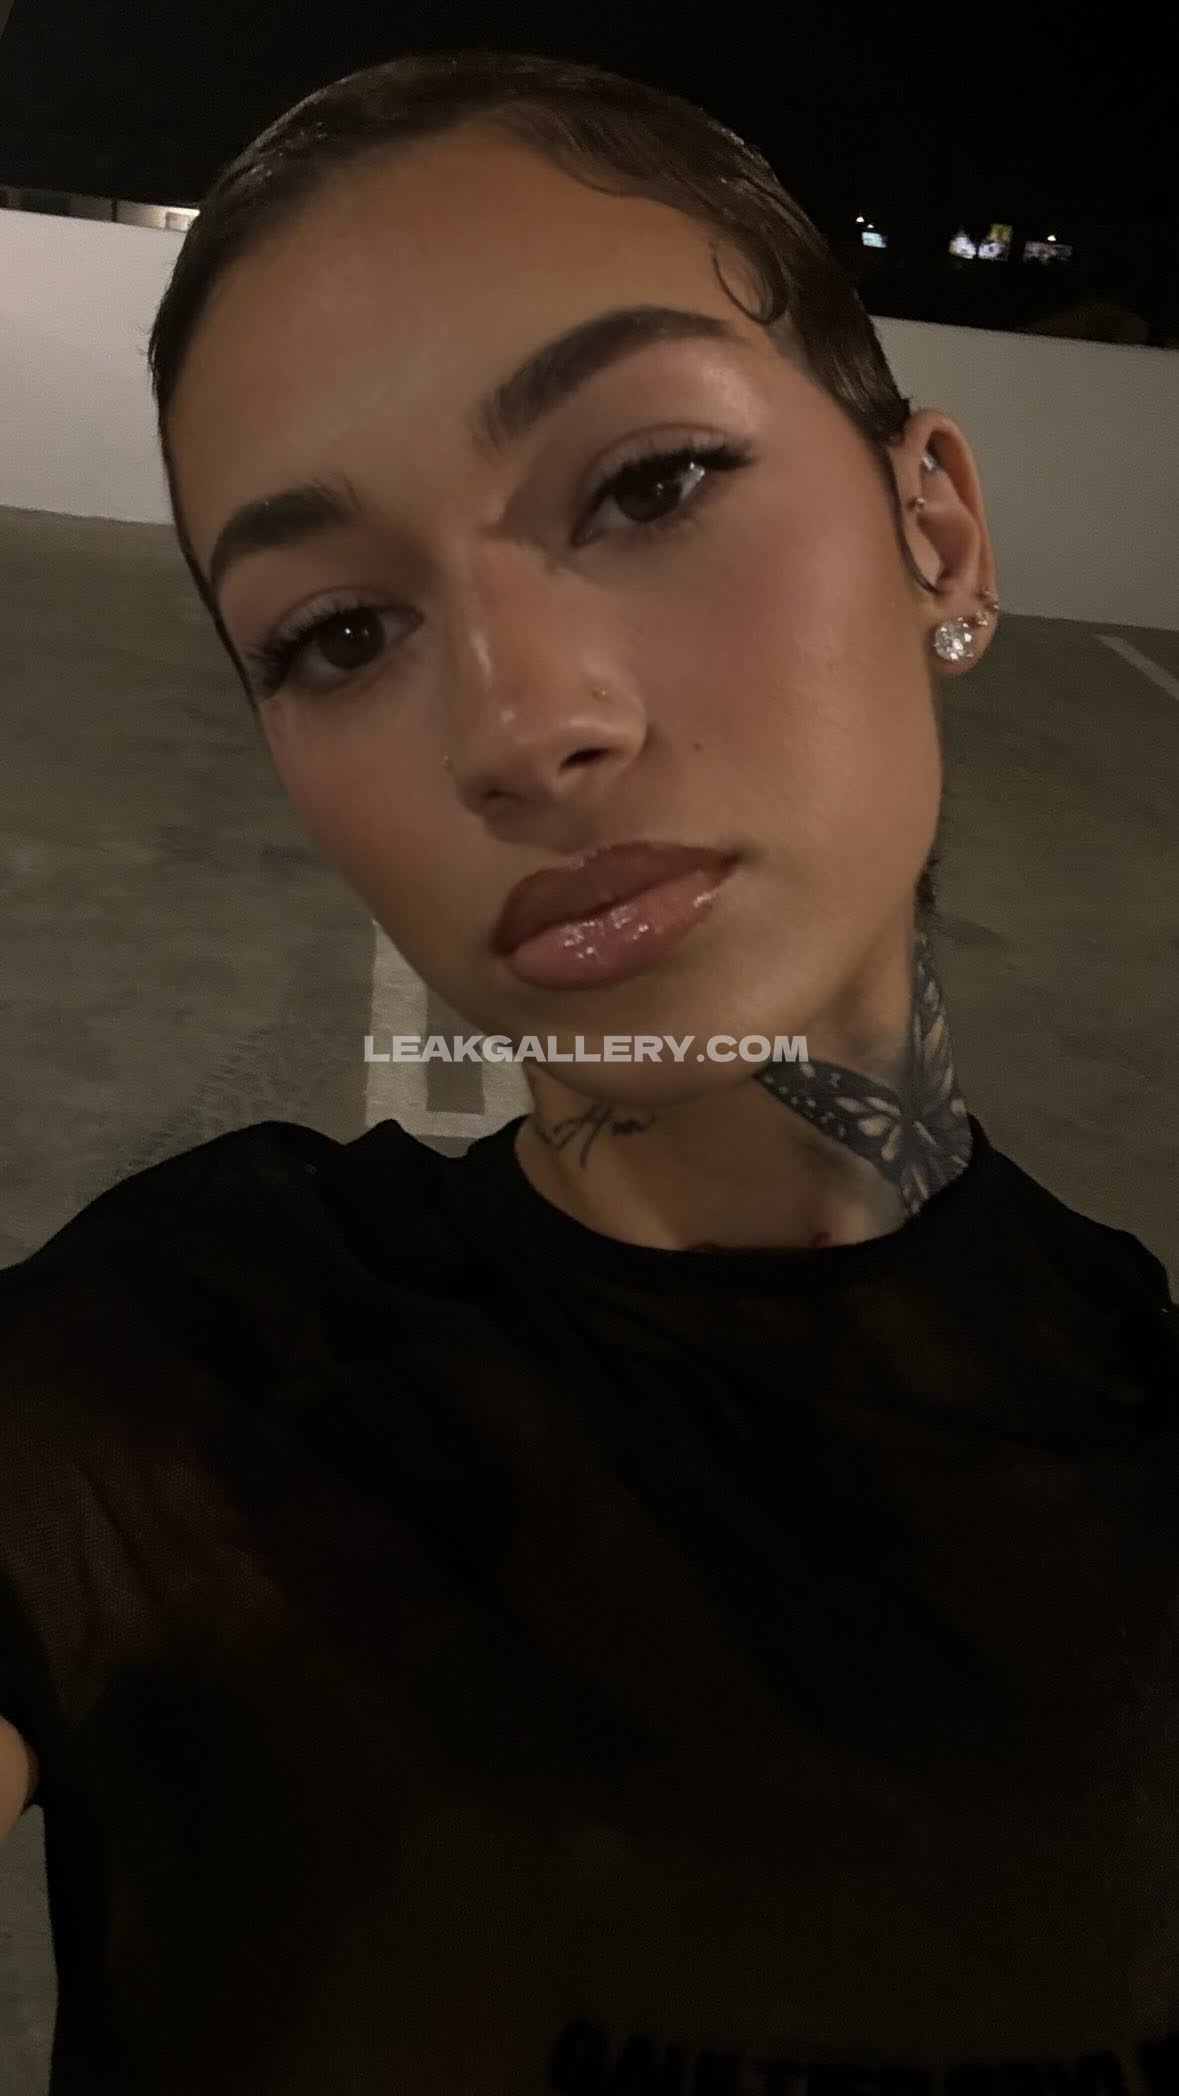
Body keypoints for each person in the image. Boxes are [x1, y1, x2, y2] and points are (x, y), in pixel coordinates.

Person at [1, 46, 1176, 2095]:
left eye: (648, 486)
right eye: (338, 633)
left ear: (938, 529)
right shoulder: (185, 1363)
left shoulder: (1132, 1399)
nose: (519, 728)